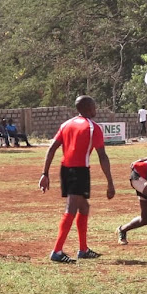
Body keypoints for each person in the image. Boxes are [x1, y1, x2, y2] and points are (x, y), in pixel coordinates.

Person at [39, 95, 115, 263]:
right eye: (94, 106)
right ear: (88, 108)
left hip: (65, 169)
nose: (96, 110)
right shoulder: (93, 128)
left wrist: (45, 173)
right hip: (79, 171)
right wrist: (110, 182)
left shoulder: (66, 124)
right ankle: (57, 251)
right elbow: (102, 156)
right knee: (72, 208)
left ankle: (83, 249)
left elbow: (52, 148)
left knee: (84, 207)